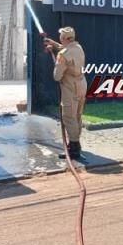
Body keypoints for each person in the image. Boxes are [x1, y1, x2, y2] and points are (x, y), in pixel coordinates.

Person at [44, 27, 87, 161]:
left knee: (69, 117)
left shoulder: (62, 54)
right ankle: (75, 143)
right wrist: (54, 44)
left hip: (70, 88)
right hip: (82, 85)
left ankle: (74, 149)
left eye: (60, 38)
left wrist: (55, 53)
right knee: (77, 116)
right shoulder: (78, 47)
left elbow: (57, 76)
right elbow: (67, 49)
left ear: (63, 38)